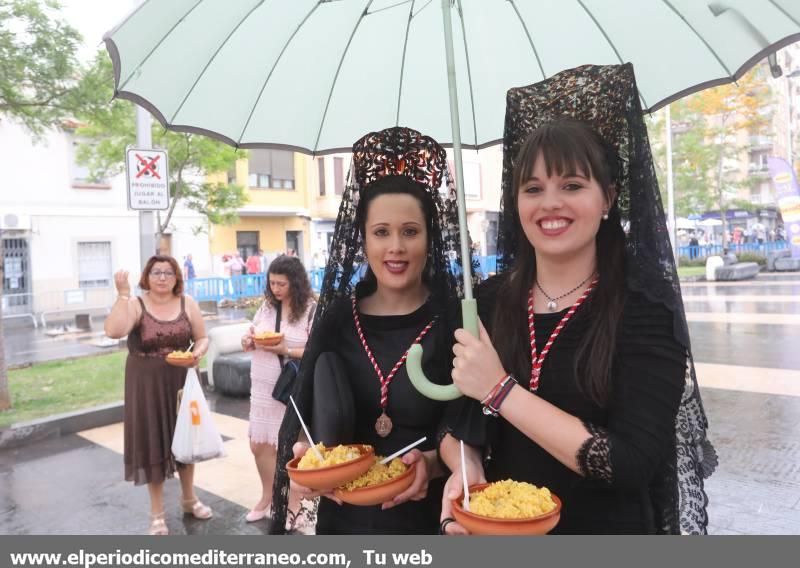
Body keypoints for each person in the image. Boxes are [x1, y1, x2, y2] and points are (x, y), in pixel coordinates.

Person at [439, 65, 715, 535]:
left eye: (571, 186)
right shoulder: (488, 301)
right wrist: (464, 476)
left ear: (608, 198)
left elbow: (630, 462)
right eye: (533, 189)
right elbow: (457, 418)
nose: (550, 204)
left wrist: (501, 390)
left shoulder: (645, 311)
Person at [270, 127, 472, 535]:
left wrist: (432, 464)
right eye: (381, 232)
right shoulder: (338, 320)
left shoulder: (457, 322)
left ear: (429, 239)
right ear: (362, 240)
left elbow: (471, 428)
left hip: (429, 518)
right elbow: (308, 415)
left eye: (410, 231)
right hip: (345, 520)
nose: (395, 246)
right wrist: (307, 458)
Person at [104, 255, 212, 535]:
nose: (162, 277)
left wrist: (197, 353)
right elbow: (114, 331)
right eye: (156, 272)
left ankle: (189, 499)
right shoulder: (136, 304)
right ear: (146, 277)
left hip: (182, 380)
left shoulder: (188, 302)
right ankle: (157, 514)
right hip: (146, 383)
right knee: (154, 442)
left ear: (177, 277)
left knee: (186, 438)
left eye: (168, 272)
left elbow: (201, 337)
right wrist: (123, 295)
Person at [240, 256, 316, 523]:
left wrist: (286, 350)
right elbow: (255, 334)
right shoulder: (266, 307)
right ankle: (268, 495)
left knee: (289, 447)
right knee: (259, 445)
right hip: (261, 386)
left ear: (295, 283)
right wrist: (249, 341)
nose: (276, 289)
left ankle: (293, 504)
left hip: (290, 388)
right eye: (272, 283)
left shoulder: (310, 309)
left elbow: (317, 351)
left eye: (281, 284)